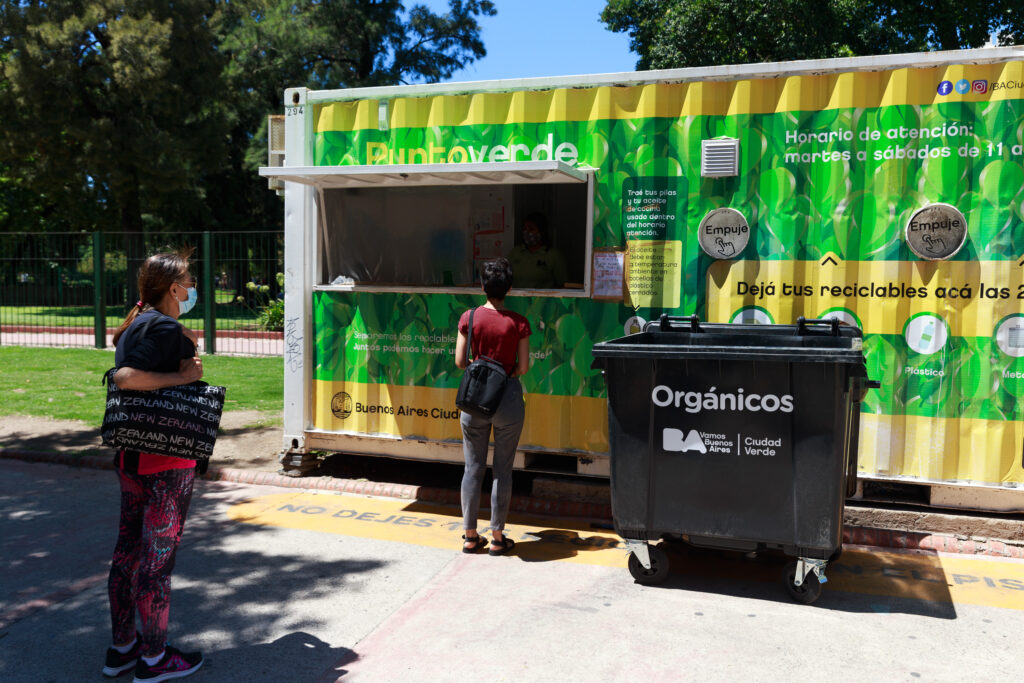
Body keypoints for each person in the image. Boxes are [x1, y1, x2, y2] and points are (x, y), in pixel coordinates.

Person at [101, 250, 205, 681]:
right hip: (166, 460)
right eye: (187, 279)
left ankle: (123, 648)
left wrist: (184, 342)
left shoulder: (136, 324)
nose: (192, 285)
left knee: (127, 554)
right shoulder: (162, 328)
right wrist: (184, 377)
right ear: (172, 288)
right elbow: (125, 376)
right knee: (156, 563)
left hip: (131, 455)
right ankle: (155, 659)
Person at [455, 258, 531, 556]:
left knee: (473, 468)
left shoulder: (469, 317)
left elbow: (460, 361)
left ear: (482, 286)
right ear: (509, 288)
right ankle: (498, 538)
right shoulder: (518, 322)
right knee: (503, 469)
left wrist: (480, 366)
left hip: (475, 401)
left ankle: (471, 537)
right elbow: (522, 367)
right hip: (508, 400)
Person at [507, 212, 567, 288]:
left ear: (542, 232)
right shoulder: (515, 252)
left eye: (531, 229)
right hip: (518, 298)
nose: (527, 232)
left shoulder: (553, 255)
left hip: (544, 299)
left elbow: (563, 285)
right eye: (525, 229)